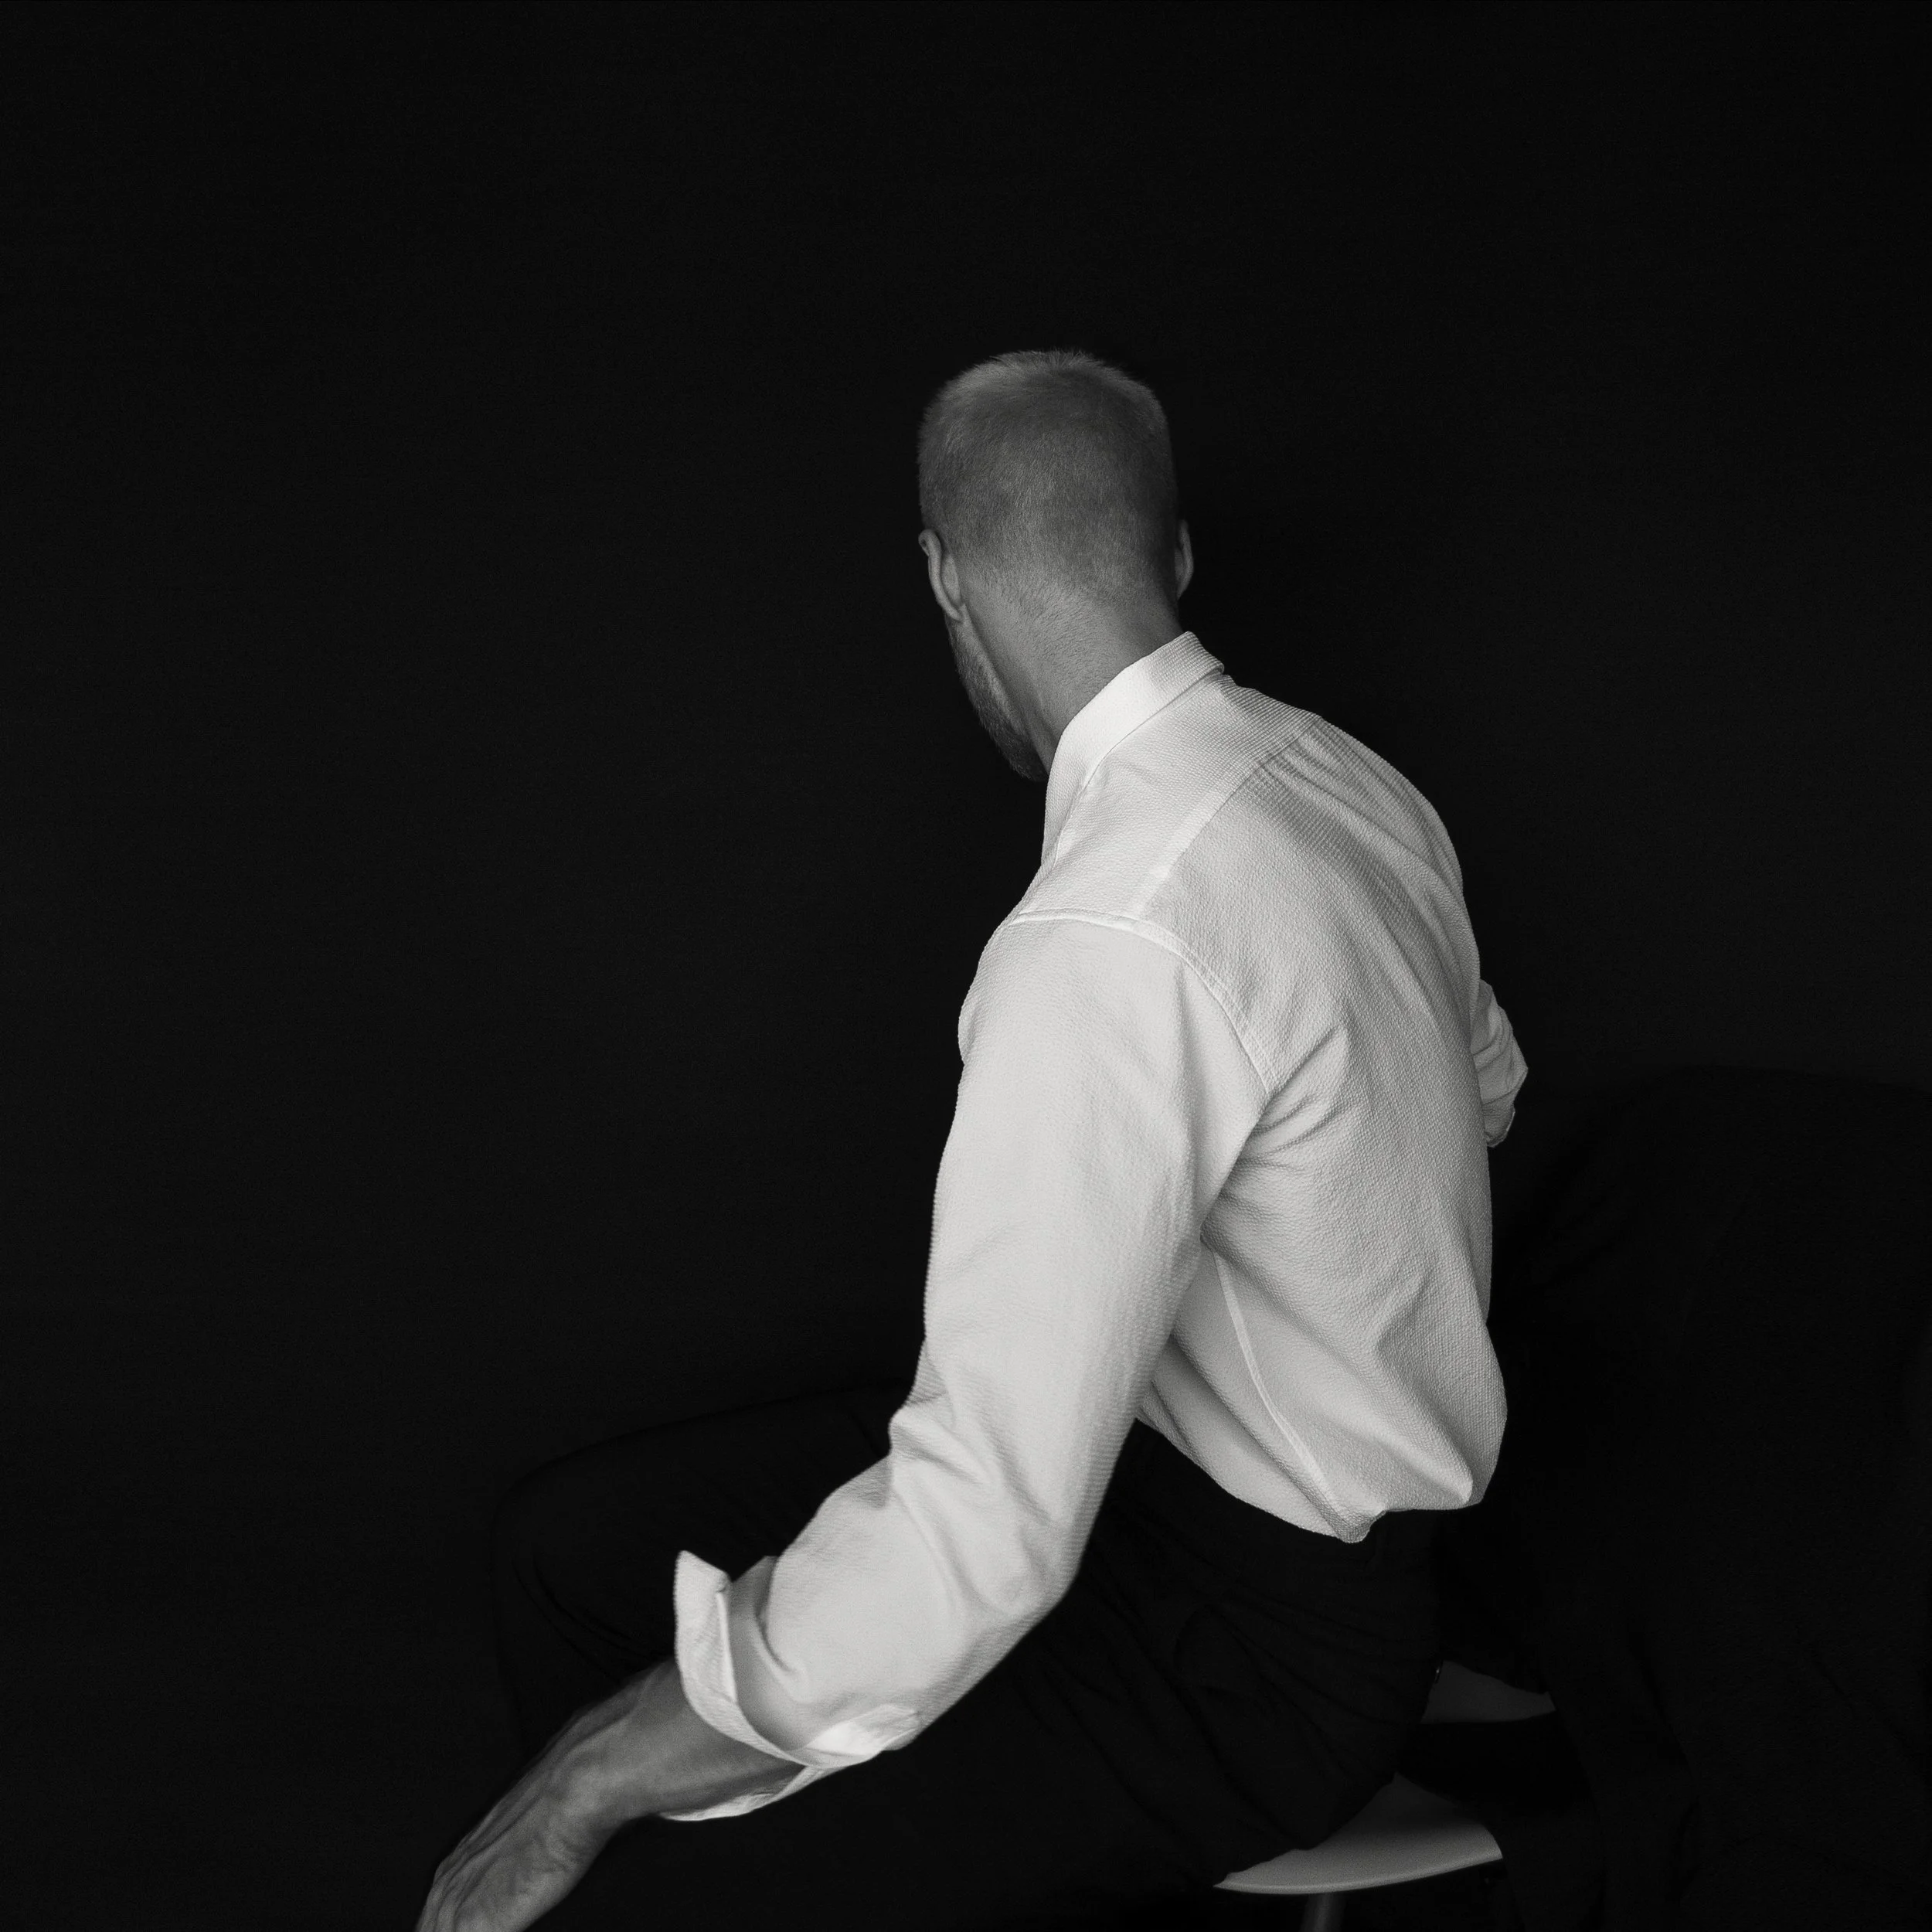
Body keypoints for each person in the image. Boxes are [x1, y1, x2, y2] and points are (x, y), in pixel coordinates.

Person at [414, 349, 1527, 1932]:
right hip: (1172, 1496)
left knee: (633, 1864)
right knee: (563, 1551)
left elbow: (987, 1524)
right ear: (1178, 555)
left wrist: (591, 1780)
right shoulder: (1346, 779)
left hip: (1257, 1656)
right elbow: (1478, 1085)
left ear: (943, 576)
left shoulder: (1104, 934)